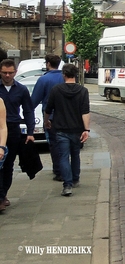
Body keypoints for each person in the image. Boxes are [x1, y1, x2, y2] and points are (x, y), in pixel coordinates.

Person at [44, 63, 90, 197]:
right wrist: (86, 129)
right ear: (75, 75)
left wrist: (47, 121)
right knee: (75, 154)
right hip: (77, 129)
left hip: (61, 129)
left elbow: (48, 108)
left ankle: (67, 185)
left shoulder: (56, 90)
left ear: (64, 75)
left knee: (63, 156)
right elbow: (85, 112)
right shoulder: (83, 91)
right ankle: (75, 178)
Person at [0, 59, 35, 210]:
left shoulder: (21, 89)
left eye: (10, 73)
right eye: (4, 73)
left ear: (15, 72)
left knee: (8, 165)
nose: (7, 76)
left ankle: (3, 194)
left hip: (13, 129)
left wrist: (30, 132)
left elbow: (28, 110)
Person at [30, 54, 64, 181]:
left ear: (48, 64)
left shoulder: (43, 80)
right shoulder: (64, 77)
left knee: (54, 144)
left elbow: (34, 100)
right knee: (65, 144)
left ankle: (59, 171)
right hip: (66, 117)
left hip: (50, 117)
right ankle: (67, 169)